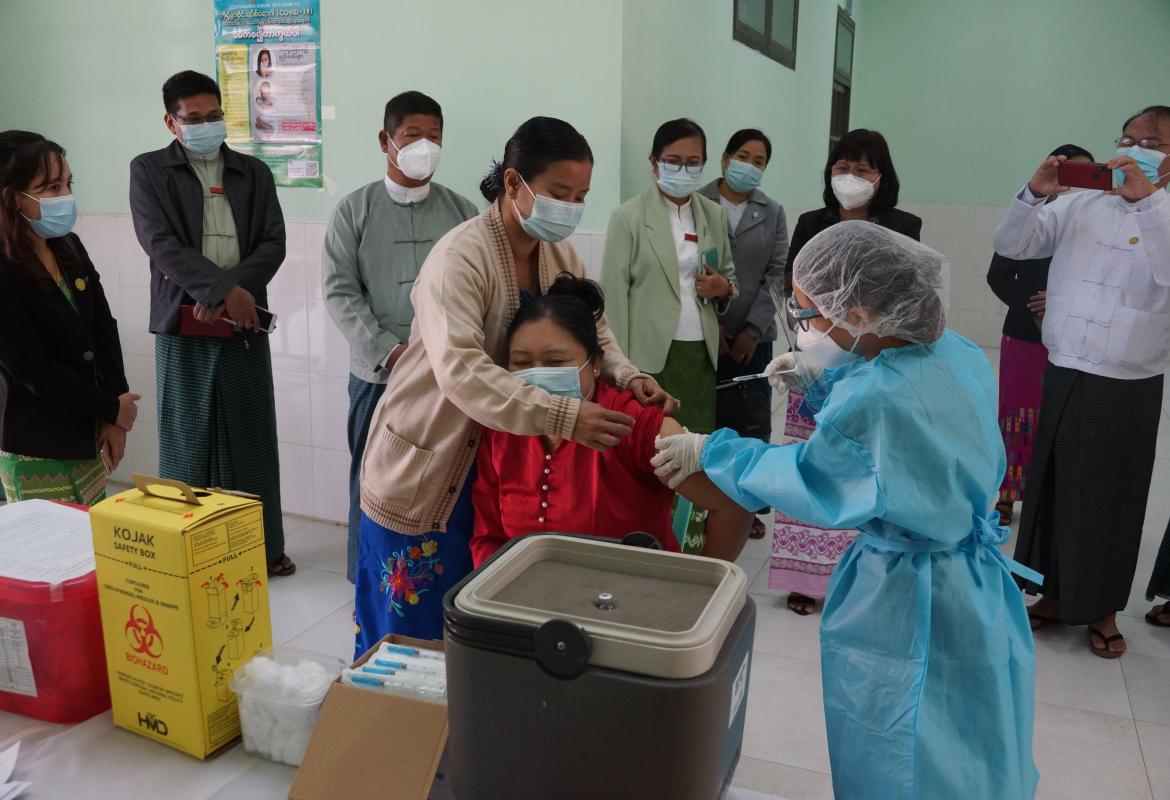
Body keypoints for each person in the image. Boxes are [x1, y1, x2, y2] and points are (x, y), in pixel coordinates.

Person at [653, 222, 1039, 800]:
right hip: (971, 583)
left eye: (808, 315)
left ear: (857, 314)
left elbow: (813, 476)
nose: (803, 328)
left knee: (900, 746)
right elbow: (902, 434)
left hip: (907, 595)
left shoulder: (875, 398)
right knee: (969, 738)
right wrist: (821, 380)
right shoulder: (955, 352)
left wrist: (713, 451)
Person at [354, 117, 675, 654]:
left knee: (476, 631)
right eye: (558, 194)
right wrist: (563, 416)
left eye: (580, 196)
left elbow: (595, 332)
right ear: (512, 183)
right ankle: (389, 708)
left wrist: (629, 375)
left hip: (489, 462)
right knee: (409, 636)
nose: (570, 207)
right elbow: (460, 370)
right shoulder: (459, 259)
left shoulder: (558, 255)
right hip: (425, 462)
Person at [998, 105, 1170, 657]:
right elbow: (1015, 245)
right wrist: (1035, 193)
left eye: (1151, 143)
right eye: (1127, 138)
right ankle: (1048, 595)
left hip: (1127, 377)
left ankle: (1102, 609)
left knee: (1111, 499)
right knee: (1051, 487)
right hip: (1066, 363)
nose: (1133, 149)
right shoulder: (1080, 203)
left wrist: (1147, 203)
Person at [129, 70, 293, 576]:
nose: (207, 125)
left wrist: (233, 294)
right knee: (187, 439)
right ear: (171, 122)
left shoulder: (253, 172)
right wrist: (219, 291)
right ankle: (189, 556)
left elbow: (273, 242)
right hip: (183, 322)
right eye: (194, 118)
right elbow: (158, 242)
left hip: (244, 322)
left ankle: (262, 551)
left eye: (215, 116)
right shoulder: (149, 170)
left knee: (251, 437)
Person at [471, 274, 753, 565]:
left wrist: (698, 582)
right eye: (521, 362)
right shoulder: (504, 427)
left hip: (633, 587)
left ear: (595, 364)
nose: (538, 375)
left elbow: (733, 504)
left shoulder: (634, 424)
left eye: (556, 362)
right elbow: (488, 537)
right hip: (529, 590)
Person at [323, 90, 478, 583]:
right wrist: (387, 351)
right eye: (413, 135)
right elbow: (340, 292)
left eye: (435, 137)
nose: (425, 147)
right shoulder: (354, 210)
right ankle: (366, 579)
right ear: (385, 141)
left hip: (446, 375)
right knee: (371, 477)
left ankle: (437, 581)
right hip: (377, 373)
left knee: (445, 476)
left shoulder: (463, 211)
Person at [777, 128, 921, 615]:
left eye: (863, 169)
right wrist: (818, 323)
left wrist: (855, 316)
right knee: (810, 464)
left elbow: (905, 296)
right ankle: (805, 576)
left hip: (871, 360)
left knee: (861, 468)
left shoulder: (902, 225)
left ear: (882, 176)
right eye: (843, 167)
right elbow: (793, 285)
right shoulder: (812, 222)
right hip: (815, 358)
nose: (851, 177)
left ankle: (862, 576)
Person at [601, 118, 737, 553]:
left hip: (700, 354)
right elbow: (613, 297)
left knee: (695, 448)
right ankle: (651, 536)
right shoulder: (628, 217)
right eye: (673, 161)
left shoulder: (713, 214)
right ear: (654, 162)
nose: (683, 169)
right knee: (653, 450)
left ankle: (691, 541)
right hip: (647, 357)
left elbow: (728, 277)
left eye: (693, 162)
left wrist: (724, 288)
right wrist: (621, 369)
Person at [0, 131, 139, 504]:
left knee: (91, 535)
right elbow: (33, 369)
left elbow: (103, 328)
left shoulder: (68, 246)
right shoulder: (5, 267)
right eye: (51, 187)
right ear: (12, 198)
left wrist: (116, 408)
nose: (65, 196)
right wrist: (110, 408)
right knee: (50, 541)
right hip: (34, 446)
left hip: (84, 434)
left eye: (67, 184)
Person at [986, 144, 1094, 526]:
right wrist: (1032, 307)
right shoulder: (1030, 219)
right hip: (1023, 335)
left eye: (1087, 174)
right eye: (1071, 174)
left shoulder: (1093, 225)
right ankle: (1006, 496)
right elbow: (998, 275)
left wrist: (1062, 301)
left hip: (1075, 338)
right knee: (1016, 417)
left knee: (1061, 419)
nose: (1078, 184)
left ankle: (1046, 496)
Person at [699, 128, 788, 540]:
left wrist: (752, 330)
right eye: (743, 156)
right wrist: (712, 324)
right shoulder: (696, 202)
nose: (749, 166)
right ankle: (704, 500)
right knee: (709, 418)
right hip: (704, 331)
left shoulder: (772, 212)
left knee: (750, 422)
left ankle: (748, 506)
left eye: (759, 161)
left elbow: (777, 274)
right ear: (724, 158)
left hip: (755, 336)